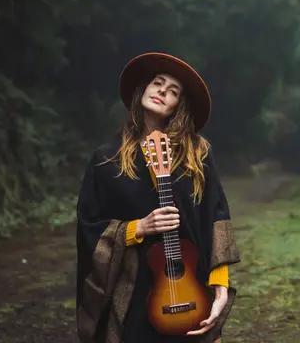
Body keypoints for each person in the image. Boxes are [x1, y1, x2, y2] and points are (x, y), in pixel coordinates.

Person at [75, 53, 241, 343]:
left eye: (173, 90)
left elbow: (217, 216)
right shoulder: (106, 158)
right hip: (130, 288)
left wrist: (220, 285)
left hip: (189, 285)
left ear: (181, 105)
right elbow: (88, 225)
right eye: (157, 83)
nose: (162, 91)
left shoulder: (197, 155)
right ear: (144, 89)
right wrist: (135, 228)